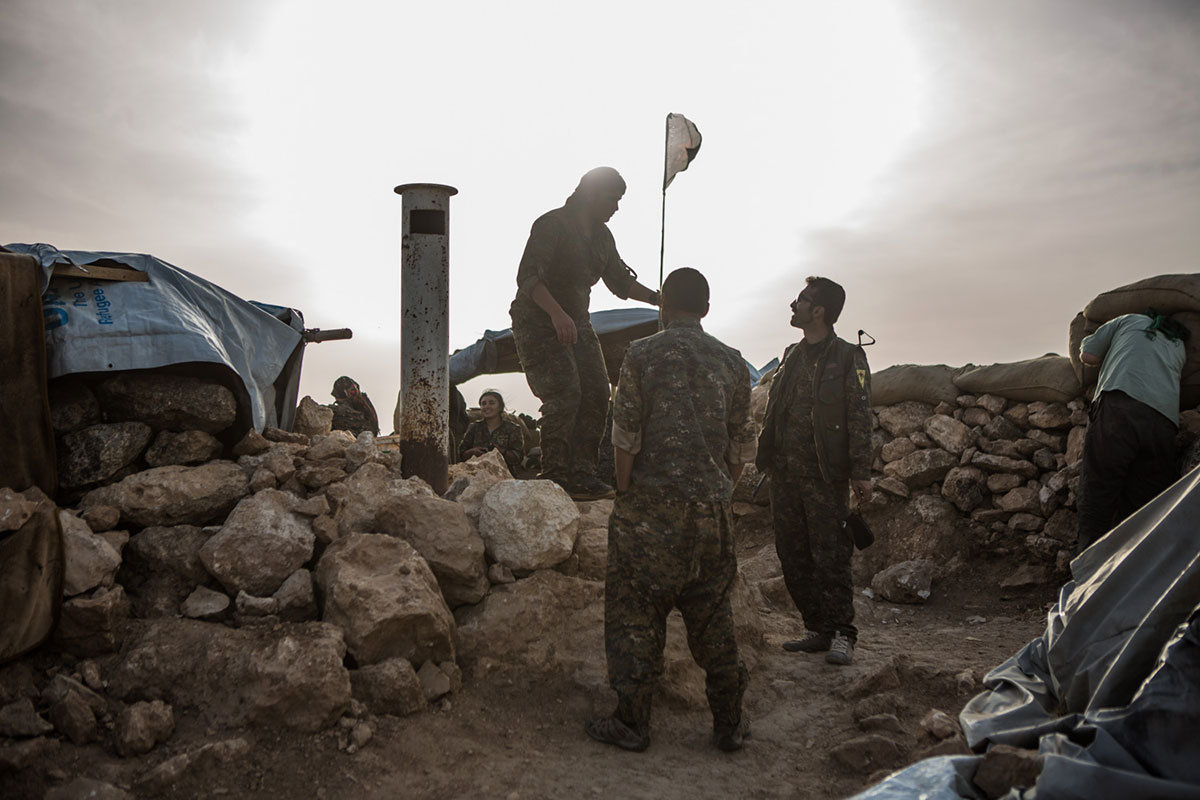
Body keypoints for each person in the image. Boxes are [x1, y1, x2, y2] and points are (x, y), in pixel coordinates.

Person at [585, 268, 756, 753]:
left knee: (635, 616)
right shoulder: (732, 362)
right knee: (713, 618)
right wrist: (720, 492)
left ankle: (632, 723)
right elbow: (743, 446)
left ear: (662, 305)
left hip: (649, 513)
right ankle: (729, 724)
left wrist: (626, 494)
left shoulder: (642, 354)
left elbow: (626, 436)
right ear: (705, 309)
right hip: (712, 512)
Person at [510, 166, 661, 501]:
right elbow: (528, 277)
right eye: (612, 199)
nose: (617, 208)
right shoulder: (553, 225)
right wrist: (556, 313)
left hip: (576, 319)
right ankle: (556, 474)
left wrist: (656, 299)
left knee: (595, 391)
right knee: (564, 390)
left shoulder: (603, 238)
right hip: (537, 318)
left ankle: (582, 474)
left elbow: (620, 281)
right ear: (590, 195)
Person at [756, 276, 872, 666]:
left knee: (831, 556)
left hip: (825, 476)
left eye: (801, 300)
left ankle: (843, 633)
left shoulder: (848, 357)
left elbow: (858, 416)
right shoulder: (791, 353)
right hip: (784, 474)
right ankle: (817, 628)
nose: (794, 305)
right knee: (792, 555)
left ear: (818, 310)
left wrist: (861, 472)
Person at [1076, 310, 1189, 552]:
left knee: (1099, 493)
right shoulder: (1179, 344)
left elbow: (1089, 355)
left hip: (1120, 405)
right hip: (1164, 423)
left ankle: (1087, 577)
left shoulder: (1129, 319)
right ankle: (1131, 581)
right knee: (1144, 510)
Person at [458, 390, 526, 475]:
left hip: (504, 475)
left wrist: (501, 452)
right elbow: (461, 454)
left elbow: (518, 458)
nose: (487, 406)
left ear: (500, 407)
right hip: (476, 475)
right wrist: (473, 451)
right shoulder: (474, 427)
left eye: (491, 403)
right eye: (483, 404)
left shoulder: (512, 429)